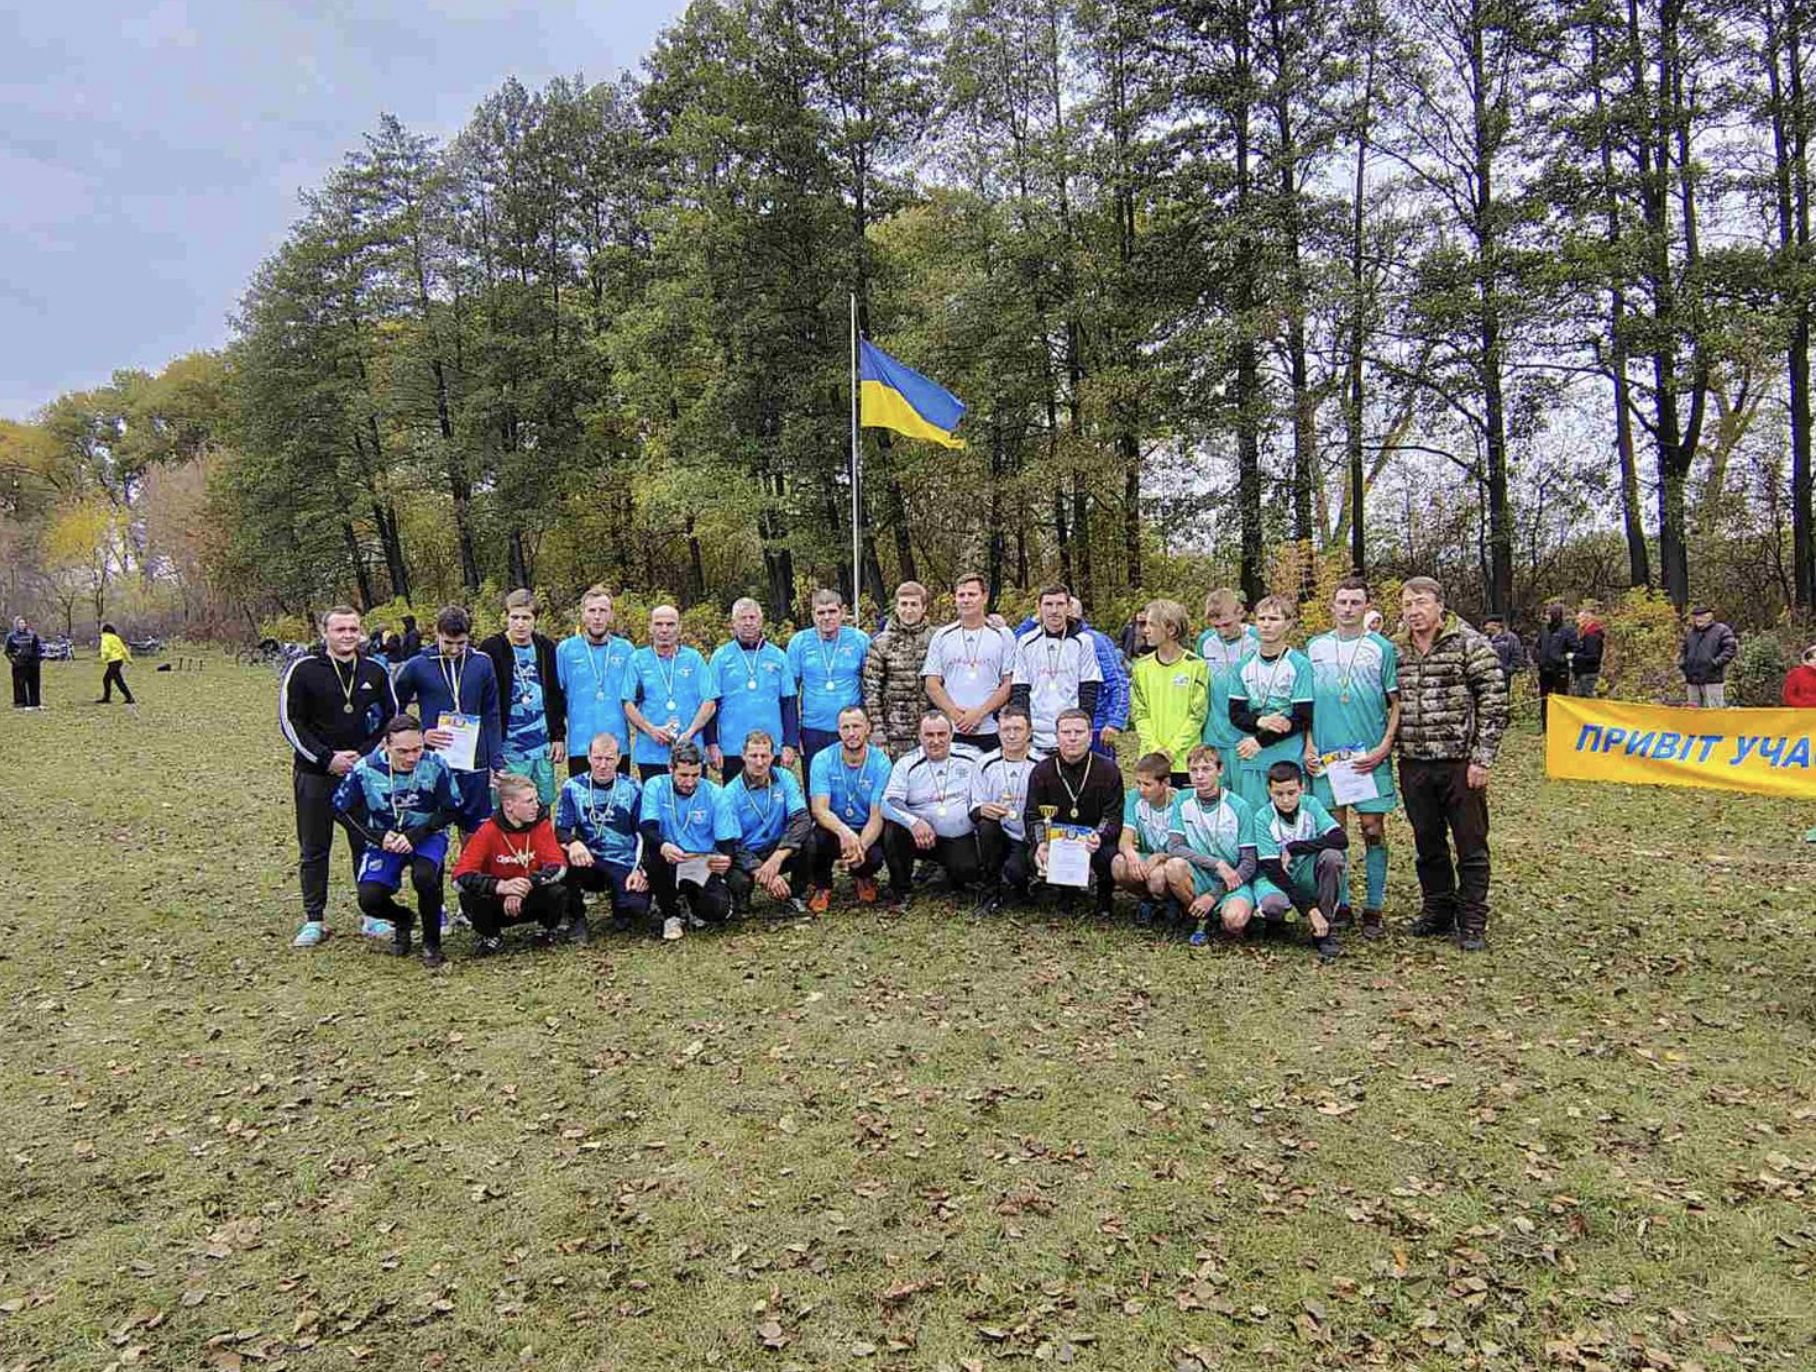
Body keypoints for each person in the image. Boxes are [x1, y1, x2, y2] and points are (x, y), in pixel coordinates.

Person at [1395, 576, 1508, 952]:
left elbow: (1494, 701)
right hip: (1414, 761)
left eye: (1421, 602)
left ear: (1440, 605)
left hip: (1460, 763)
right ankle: (1437, 909)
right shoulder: (1397, 649)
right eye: (1407, 604)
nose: (1414, 611)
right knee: (1427, 843)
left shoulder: (1470, 643)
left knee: (1470, 844)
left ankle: (1472, 918)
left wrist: (1482, 758)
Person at [280, 606, 399, 948]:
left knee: (368, 843)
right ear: (325, 633)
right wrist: (326, 758)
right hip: (315, 774)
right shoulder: (303, 670)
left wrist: (364, 755)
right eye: (340, 629)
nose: (347, 635)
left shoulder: (375, 670)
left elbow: (391, 719)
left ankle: (373, 915)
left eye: (353, 629)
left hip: (362, 774)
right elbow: (291, 721)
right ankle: (314, 920)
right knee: (314, 848)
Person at [1304, 576, 1399, 939]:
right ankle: (1341, 902)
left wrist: (1384, 746)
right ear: (1332, 605)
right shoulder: (1315, 647)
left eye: (1355, 602)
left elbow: (1397, 703)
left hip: (1367, 757)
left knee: (1372, 829)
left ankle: (1374, 906)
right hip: (1328, 757)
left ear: (1366, 606)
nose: (1347, 608)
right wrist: (1309, 745)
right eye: (1342, 601)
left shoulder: (1381, 648)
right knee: (1334, 832)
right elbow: (1305, 703)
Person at [333, 714, 463, 967]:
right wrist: (378, 836)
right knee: (369, 898)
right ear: (386, 745)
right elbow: (340, 809)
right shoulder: (365, 768)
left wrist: (416, 835)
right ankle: (403, 919)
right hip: (385, 839)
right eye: (403, 751)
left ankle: (432, 943)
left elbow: (452, 808)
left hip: (426, 834)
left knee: (425, 877)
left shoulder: (436, 764)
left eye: (417, 749)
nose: (411, 757)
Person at [394, 605, 504, 836]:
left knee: (475, 829)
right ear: (437, 633)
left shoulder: (482, 663)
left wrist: (496, 760)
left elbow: (491, 714)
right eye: (448, 643)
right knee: (432, 827)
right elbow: (396, 710)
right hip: (435, 758)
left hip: (475, 758)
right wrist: (421, 735)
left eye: (461, 643)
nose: (454, 649)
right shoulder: (417, 665)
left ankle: (470, 861)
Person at [451, 773, 569, 955]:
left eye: (536, 799)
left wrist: (525, 885)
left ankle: (546, 929)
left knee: (557, 891)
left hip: (530, 896)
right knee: (470, 897)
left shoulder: (541, 825)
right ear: (508, 806)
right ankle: (490, 935)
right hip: (497, 902)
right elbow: (459, 878)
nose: (536, 806)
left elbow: (558, 865)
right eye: (529, 801)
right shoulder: (488, 830)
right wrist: (500, 886)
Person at [1024, 707, 1125, 916]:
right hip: (1057, 839)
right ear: (1057, 736)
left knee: (1108, 855)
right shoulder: (1042, 771)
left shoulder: (1109, 770)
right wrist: (1041, 842)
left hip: (1094, 838)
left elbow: (1113, 814)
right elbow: (1033, 815)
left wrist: (1099, 835)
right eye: (1066, 732)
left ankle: (1104, 896)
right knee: (1034, 855)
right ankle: (1065, 893)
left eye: (1078, 732)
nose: (1072, 738)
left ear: (1090, 737)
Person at [882, 709, 986, 908]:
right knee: (893, 828)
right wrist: (915, 822)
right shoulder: (906, 763)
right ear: (919, 736)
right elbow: (889, 802)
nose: (935, 741)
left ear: (951, 734)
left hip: (958, 835)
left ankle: (950, 874)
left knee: (967, 871)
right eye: (929, 735)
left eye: (941, 734)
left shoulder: (973, 757)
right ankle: (901, 890)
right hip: (919, 837)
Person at [554, 732, 650, 942]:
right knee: (561, 853)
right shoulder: (573, 787)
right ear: (589, 757)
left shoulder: (633, 788)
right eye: (598, 758)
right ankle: (576, 917)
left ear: (619, 759)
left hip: (622, 860)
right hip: (588, 858)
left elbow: (643, 834)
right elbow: (560, 830)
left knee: (636, 909)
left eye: (609, 759)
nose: (603, 765)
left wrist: (639, 869)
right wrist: (573, 843)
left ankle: (620, 901)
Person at [638, 741, 737, 939]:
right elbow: (647, 827)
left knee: (719, 910)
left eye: (695, 775)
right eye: (683, 775)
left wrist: (725, 859)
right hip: (668, 857)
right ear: (670, 768)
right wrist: (664, 845)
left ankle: (691, 903)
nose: (690, 782)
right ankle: (670, 915)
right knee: (653, 854)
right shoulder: (655, 786)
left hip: (700, 860)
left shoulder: (715, 794)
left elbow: (726, 842)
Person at [1251, 761, 1347, 962]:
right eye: (1278, 794)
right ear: (1269, 791)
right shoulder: (1262, 817)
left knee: (1333, 857)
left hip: (1305, 870)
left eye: (1291, 793)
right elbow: (1273, 870)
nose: (1286, 800)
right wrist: (1309, 909)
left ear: (1301, 788)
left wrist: (1295, 847)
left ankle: (1324, 929)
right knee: (1273, 905)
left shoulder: (1311, 805)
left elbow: (1340, 839)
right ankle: (1276, 922)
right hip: (1276, 878)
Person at [1164, 743, 1257, 947]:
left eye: (1206, 769)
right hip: (1199, 873)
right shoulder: (1182, 800)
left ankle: (1219, 915)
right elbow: (1175, 847)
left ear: (1220, 770)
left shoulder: (1239, 806)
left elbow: (1249, 863)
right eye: (1194, 770)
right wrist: (1216, 864)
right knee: (1173, 866)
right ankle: (1198, 917)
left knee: (1235, 921)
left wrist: (1214, 895)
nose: (1199, 776)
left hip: (1233, 880)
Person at [479, 589, 568, 805]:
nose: (520, 624)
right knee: (509, 802)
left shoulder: (545, 647)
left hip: (541, 744)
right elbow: (483, 697)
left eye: (526, 618)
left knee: (542, 800)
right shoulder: (492, 648)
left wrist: (558, 736)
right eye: (515, 617)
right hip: (508, 745)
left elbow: (555, 694)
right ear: (506, 617)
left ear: (535, 619)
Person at [1227, 595, 1314, 813]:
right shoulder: (1242, 665)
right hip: (1252, 758)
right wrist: (1261, 721)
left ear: (1288, 623)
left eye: (1274, 619)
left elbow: (1301, 718)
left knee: (1292, 822)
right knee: (1255, 820)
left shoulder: (1300, 665)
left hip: (1288, 758)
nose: (1266, 624)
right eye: (1262, 618)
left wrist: (1260, 741)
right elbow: (1236, 715)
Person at [805, 704, 891, 912]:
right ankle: (822, 886)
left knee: (875, 855)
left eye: (856, 726)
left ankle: (863, 876)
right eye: (845, 727)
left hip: (866, 827)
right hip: (834, 827)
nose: (851, 733)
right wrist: (845, 833)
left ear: (868, 728)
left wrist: (860, 846)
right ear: (838, 730)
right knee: (813, 840)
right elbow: (819, 809)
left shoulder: (881, 762)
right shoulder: (822, 759)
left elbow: (877, 815)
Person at [922, 572, 1018, 753]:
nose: (966, 600)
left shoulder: (1003, 635)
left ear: (984, 597)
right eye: (961, 595)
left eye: (972, 594)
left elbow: (1009, 683)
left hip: (991, 729)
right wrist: (955, 715)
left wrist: (980, 714)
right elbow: (931, 683)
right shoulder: (942, 636)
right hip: (953, 729)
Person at [721, 730, 813, 917]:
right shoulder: (730, 793)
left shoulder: (785, 777)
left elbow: (801, 819)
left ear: (772, 756)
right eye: (753, 756)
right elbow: (732, 843)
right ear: (743, 756)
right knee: (739, 880)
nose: (759, 762)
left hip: (777, 848)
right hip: (747, 852)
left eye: (764, 756)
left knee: (809, 841)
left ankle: (797, 895)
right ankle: (741, 903)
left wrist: (777, 857)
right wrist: (759, 869)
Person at [707, 598, 799, 783]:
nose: (748, 623)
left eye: (752, 617)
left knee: (771, 796)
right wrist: (712, 743)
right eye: (742, 618)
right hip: (733, 747)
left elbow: (788, 703)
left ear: (761, 620)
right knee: (735, 797)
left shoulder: (778, 656)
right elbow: (711, 704)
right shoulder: (720, 657)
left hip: (770, 747)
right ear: (733, 623)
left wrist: (790, 744)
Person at [622, 604, 717, 781]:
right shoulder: (637, 659)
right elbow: (627, 703)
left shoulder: (694, 658)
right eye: (658, 624)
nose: (664, 630)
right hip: (651, 752)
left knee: (692, 797)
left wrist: (689, 733)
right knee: (655, 797)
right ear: (650, 627)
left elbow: (709, 702)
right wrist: (651, 730)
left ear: (679, 628)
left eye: (670, 624)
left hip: (690, 752)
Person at [1009, 585, 1103, 757]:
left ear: (1068, 607)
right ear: (1039, 607)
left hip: (1070, 735)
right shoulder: (1026, 642)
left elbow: (1089, 691)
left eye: (1060, 604)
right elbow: (1020, 691)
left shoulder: (1084, 642)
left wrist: (1080, 730)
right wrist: (1025, 731)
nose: (1054, 610)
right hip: (1036, 736)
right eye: (1048, 604)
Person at [556, 585, 636, 779]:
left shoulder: (626, 649)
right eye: (592, 611)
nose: (597, 617)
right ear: (583, 615)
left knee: (617, 796)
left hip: (618, 744)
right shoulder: (566, 649)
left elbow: (636, 697)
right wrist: (557, 736)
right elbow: (556, 698)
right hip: (581, 744)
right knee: (582, 796)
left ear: (611, 615)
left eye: (603, 611)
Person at [1129, 598, 1209, 786]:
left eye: (1151, 624)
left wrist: (1171, 751)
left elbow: (1197, 715)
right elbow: (1139, 714)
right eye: (1144, 624)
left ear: (1171, 630)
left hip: (1185, 762)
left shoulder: (1196, 666)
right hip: (1151, 760)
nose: (1145, 630)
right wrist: (1156, 750)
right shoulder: (1141, 667)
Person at [787, 589, 871, 766]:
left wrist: (870, 726)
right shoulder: (799, 642)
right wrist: (792, 737)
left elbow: (871, 688)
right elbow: (790, 693)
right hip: (813, 729)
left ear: (842, 612)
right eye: (821, 613)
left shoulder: (860, 640)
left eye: (832, 611)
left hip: (852, 729)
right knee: (815, 781)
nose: (826, 617)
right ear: (813, 615)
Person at [970, 704, 1040, 912]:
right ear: (998, 732)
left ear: (1029, 732)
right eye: (1006, 729)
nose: (1011, 735)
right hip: (999, 835)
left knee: (1016, 872)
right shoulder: (984, 763)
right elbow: (974, 806)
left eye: (1017, 729)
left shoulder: (1042, 764)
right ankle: (990, 890)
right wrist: (983, 809)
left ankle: (1025, 883)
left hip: (1029, 837)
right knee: (985, 825)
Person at [863, 581, 939, 759]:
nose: (908, 610)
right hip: (895, 733)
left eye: (914, 604)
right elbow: (871, 691)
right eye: (904, 604)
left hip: (932, 729)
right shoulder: (881, 643)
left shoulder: (937, 639)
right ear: (896, 607)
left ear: (924, 608)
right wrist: (878, 733)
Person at [1113, 751, 1179, 926]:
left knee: (1157, 878)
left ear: (1165, 783)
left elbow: (1184, 848)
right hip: (1148, 856)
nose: (1141, 789)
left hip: (1172, 859)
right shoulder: (1134, 798)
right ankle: (1148, 899)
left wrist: (1159, 858)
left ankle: (1172, 902)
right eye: (1138, 783)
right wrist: (1131, 854)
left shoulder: (1180, 802)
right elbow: (1125, 838)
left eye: (1148, 784)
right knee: (1119, 863)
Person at [1196, 588, 1258, 770]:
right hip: (1215, 732)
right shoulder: (1205, 641)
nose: (1222, 632)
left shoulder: (1257, 638)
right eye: (1216, 627)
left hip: (1248, 732)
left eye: (1227, 624)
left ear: (1240, 613)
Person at [1071, 596, 1130, 759]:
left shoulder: (1096, 641)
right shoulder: (1042, 641)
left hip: (1096, 725)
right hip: (1058, 728)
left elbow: (1118, 682)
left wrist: (1115, 722)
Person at [1680, 606, 1739, 708]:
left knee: (1714, 711)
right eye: (1696, 616)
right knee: (1693, 711)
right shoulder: (1691, 633)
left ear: (1710, 616)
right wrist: (1683, 664)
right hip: (1692, 680)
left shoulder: (1721, 630)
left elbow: (1730, 649)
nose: (1698, 619)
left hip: (1712, 679)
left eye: (1702, 616)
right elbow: (1683, 651)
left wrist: (1715, 663)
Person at [1533, 603, 1577, 728]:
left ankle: (1561, 725)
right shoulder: (1544, 629)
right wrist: (1538, 658)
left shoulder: (1568, 629)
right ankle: (1545, 725)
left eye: (1549, 614)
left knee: (1561, 697)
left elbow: (1574, 648)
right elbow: (1538, 645)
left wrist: (1563, 659)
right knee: (1544, 698)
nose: (1547, 617)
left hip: (1560, 670)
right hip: (1544, 669)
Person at [6, 616, 43, 709]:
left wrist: (38, 658)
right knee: (19, 684)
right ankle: (20, 703)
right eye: (20, 623)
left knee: (34, 683)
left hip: (32, 663)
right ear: (17, 624)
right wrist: (14, 660)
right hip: (19, 664)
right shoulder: (11, 636)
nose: (22, 625)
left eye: (23, 623)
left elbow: (38, 647)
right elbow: (7, 651)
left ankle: (35, 703)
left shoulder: (32, 635)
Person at [97, 622, 135, 705]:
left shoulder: (105, 638)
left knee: (112, 680)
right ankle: (127, 697)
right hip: (119, 661)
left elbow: (106, 649)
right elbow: (123, 649)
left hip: (113, 661)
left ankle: (127, 697)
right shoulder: (116, 638)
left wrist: (104, 657)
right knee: (111, 679)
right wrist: (129, 659)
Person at [1572, 604, 1605, 697]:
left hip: (1588, 674)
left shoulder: (1592, 636)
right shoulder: (1586, 634)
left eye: (1579, 619)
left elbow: (1593, 657)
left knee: (1585, 700)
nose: (1577, 621)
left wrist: (1574, 656)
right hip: (1584, 673)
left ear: (1586, 619)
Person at [1483, 615, 1525, 686]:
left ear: (1496, 624)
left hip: (1503, 676)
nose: (1485, 627)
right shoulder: (1484, 639)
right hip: (1486, 676)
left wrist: (1509, 670)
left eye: (1487, 624)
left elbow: (1517, 655)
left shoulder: (1510, 638)